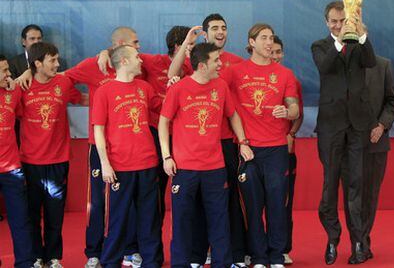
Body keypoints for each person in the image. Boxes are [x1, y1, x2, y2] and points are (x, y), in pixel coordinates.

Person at [159, 42, 254, 267]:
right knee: (182, 220)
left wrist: (243, 142)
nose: (221, 64)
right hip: (184, 168)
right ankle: (182, 263)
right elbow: (163, 122)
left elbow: (233, 115)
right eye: (216, 60)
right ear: (202, 66)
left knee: (219, 220)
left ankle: (222, 262)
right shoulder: (179, 89)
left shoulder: (221, 86)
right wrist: (166, 156)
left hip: (215, 167)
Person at [221, 23, 299, 268]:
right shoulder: (235, 72)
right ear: (251, 42)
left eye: (271, 38)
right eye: (263, 38)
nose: (268, 42)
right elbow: (209, 84)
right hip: (247, 149)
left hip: (276, 149)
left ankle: (276, 256)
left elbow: (295, 107)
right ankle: (257, 257)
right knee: (252, 208)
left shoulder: (285, 74)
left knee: (277, 204)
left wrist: (287, 111)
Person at [64, 27, 143, 268]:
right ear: (120, 43)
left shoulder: (135, 65)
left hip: (128, 145)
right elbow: (64, 78)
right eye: (134, 42)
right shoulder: (93, 65)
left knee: (128, 200)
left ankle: (130, 250)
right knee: (98, 201)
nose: (139, 47)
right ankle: (94, 252)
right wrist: (81, 99)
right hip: (99, 146)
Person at [311, 1, 376, 265]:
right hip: (330, 127)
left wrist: (360, 34)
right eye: (334, 22)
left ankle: (359, 242)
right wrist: (340, 40)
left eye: (343, 20)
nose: (339, 25)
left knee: (356, 187)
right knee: (329, 189)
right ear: (327, 23)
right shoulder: (320, 46)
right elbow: (325, 67)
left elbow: (370, 61)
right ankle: (332, 239)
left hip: (358, 127)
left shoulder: (359, 44)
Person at [92, 45, 163, 268]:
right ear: (123, 61)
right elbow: (98, 130)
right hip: (120, 166)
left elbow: (164, 107)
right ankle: (110, 261)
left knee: (150, 218)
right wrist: (105, 163)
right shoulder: (105, 91)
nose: (140, 60)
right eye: (136, 57)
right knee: (118, 219)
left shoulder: (145, 87)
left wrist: (175, 88)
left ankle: (152, 261)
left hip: (148, 163)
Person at [21, 42, 82, 268]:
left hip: (58, 160)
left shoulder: (64, 83)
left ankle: (54, 257)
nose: (58, 64)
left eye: (58, 59)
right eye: (52, 60)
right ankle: (37, 256)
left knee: (55, 213)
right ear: (38, 64)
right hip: (31, 161)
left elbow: (83, 99)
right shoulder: (23, 86)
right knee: (33, 214)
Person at [342, 55, 394, 260]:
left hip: (376, 143)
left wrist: (382, 125)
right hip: (347, 144)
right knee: (352, 196)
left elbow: (393, 101)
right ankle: (358, 243)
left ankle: (363, 240)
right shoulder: (337, 66)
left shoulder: (383, 65)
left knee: (368, 196)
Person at [270, 35, 304, 265]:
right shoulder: (247, 76)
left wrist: (290, 134)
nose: (275, 56)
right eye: (271, 51)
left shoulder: (290, 78)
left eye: (278, 51)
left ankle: (282, 248)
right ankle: (256, 247)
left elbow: (297, 113)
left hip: (285, 150)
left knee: (283, 202)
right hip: (258, 149)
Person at [0, 54, 34, 268]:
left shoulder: (13, 91)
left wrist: (28, 71)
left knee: (21, 220)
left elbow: (30, 74)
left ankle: (25, 263)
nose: (8, 74)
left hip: (12, 169)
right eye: (3, 71)